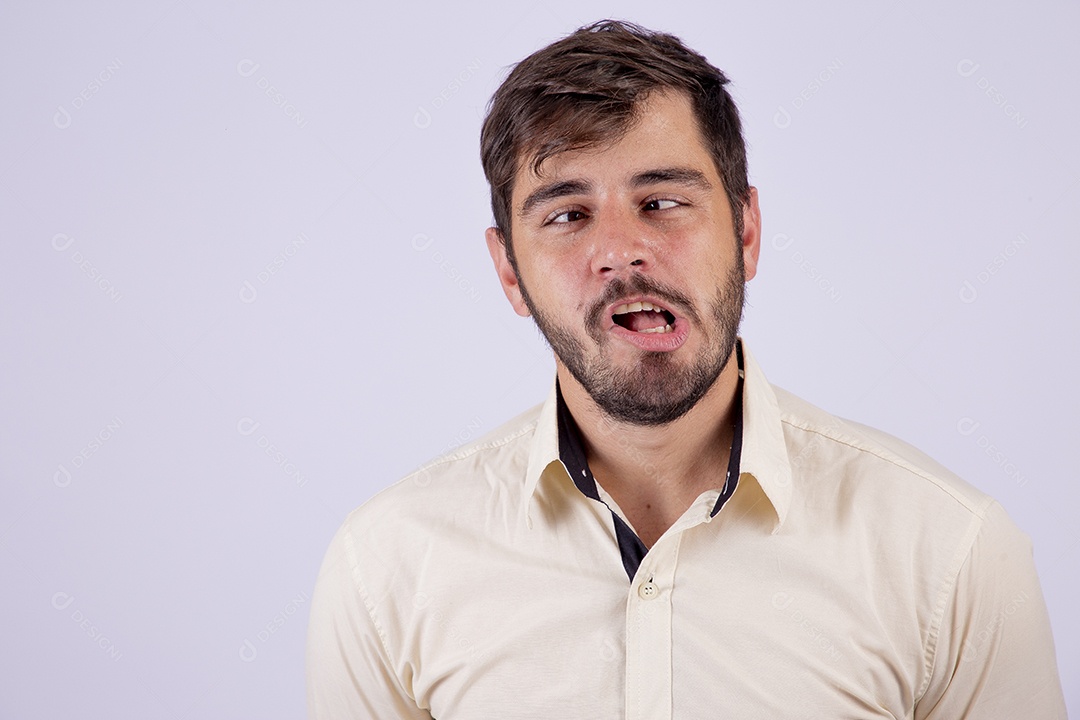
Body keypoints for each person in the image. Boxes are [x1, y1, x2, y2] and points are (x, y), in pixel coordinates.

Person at [306, 20, 1066, 719]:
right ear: (508, 272)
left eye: (662, 201)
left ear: (747, 231)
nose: (621, 251)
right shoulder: (387, 568)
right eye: (567, 215)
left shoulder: (949, 553)